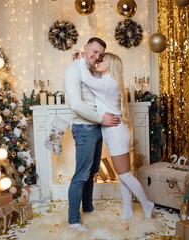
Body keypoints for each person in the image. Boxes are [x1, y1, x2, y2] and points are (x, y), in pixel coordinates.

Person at [74, 51, 154, 220]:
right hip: (114, 133)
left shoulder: (109, 83)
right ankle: (128, 211)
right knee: (122, 174)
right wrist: (80, 59)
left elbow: (87, 80)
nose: (98, 61)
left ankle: (147, 204)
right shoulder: (103, 81)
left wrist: (82, 61)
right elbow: (90, 75)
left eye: (102, 60)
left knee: (125, 174)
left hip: (117, 133)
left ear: (110, 65)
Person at [63, 38, 121, 232]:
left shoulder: (87, 69)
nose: (96, 57)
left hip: (95, 127)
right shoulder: (73, 70)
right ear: (85, 48)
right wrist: (100, 118)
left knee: (92, 172)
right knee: (81, 175)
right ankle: (73, 221)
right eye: (94, 52)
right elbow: (76, 105)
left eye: (100, 55)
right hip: (84, 127)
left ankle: (87, 208)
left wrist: (100, 121)